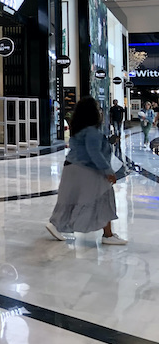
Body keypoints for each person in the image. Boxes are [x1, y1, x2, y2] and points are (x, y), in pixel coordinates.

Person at [46, 97, 126, 245]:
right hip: (86, 169)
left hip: (72, 167)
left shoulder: (79, 130)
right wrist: (108, 171)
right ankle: (107, 235)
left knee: (69, 198)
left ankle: (55, 224)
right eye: (98, 109)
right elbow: (94, 153)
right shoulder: (91, 131)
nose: (100, 112)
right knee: (104, 195)